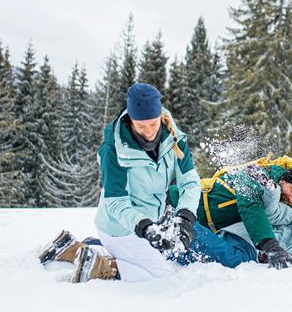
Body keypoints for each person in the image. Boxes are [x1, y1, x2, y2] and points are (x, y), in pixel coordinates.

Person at [39, 83, 256, 283]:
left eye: (153, 124)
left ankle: (78, 246)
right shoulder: (113, 150)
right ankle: (100, 264)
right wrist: (145, 228)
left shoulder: (174, 138)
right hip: (120, 227)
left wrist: (186, 216)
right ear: (130, 120)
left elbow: (189, 182)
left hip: (154, 220)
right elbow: (116, 204)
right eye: (141, 126)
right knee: (162, 274)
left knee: (171, 254)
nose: (149, 132)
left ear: (160, 116)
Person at [168, 157, 292, 269]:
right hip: (176, 202)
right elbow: (250, 206)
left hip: (197, 222)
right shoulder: (258, 175)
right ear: (283, 180)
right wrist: (271, 246)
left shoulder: (278, 199)